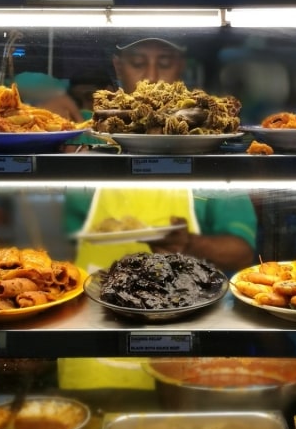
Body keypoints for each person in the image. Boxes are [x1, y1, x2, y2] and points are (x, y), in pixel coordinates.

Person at [62, 37, 258, 275]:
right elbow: (65, 245)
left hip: (182, 299)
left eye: (164, 63)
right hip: (96, 298)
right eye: (137, 63)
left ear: (181, 66)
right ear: (118, 66)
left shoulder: (207, 140)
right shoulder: (88, 134)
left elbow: (242, 253)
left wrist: (190, 244)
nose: (151, 77)